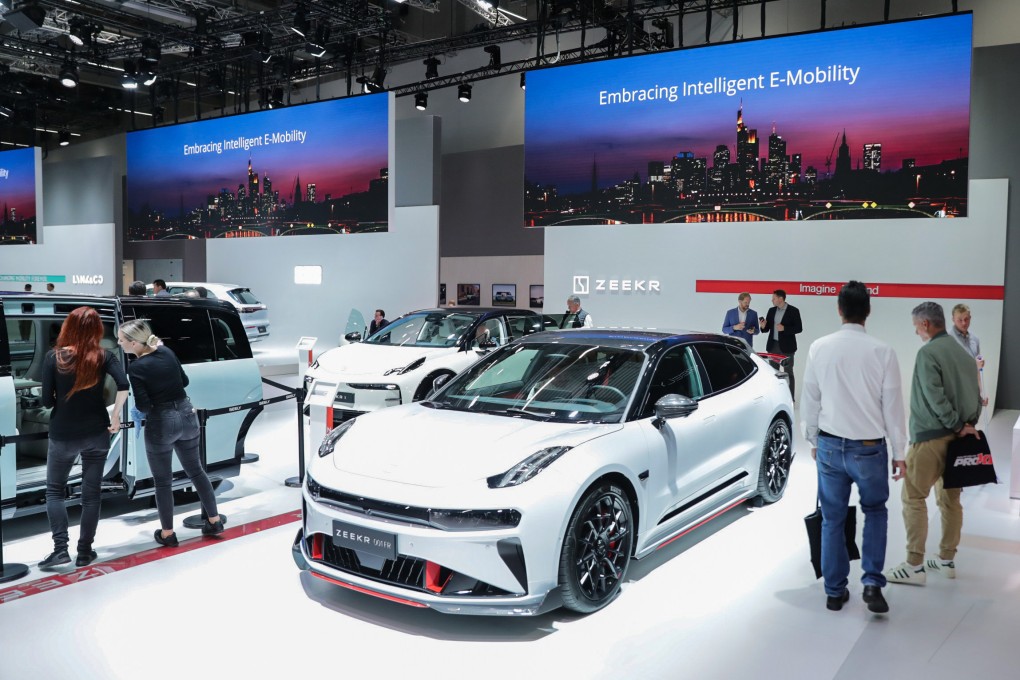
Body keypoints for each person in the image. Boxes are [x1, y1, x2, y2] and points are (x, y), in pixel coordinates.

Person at [801, 281, 906, 614]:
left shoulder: (819, 347)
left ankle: (834, 592)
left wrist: (813, 439)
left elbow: (810, 399)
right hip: (870, 449)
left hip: (830, 446)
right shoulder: (883, 351)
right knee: (875, 512)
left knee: (832, 519)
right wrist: (900, 453)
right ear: (868, 311)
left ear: (839, 309)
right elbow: (893, 407)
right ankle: (872, 584)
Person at [884, 301, 982, 586]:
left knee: (913, 497)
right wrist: (965, 425)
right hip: (958, 440)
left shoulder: (928, 353)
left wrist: (953, 423)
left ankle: (914, 565)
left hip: (930, 439)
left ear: (925, 324)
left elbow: (934, 396)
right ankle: (946, 559)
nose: (916, 332)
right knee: (951, 499)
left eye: (916, 327)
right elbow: (976, 396)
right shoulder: (964, 355)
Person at [118, 319, 225, 546]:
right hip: (187, 414)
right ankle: (214, 520)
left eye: (122, 340)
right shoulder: (166, 351)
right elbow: (184, 381)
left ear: (135, 343)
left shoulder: (136, 368)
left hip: (161, 422)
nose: (119, 343)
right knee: (196, 471)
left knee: (163, 482)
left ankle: (168, 534)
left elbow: (144, 406)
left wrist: (136, 411)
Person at [38, 307, 130, 570]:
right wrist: (115, 417)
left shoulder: (53, 357)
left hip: (63, 433)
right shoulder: (103, 355)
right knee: (91, 495)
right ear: (96, 330)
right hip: (96, 432)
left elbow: (46, 400)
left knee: (55, 491)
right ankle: (85, 551)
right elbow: (123, 383)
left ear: (69, 327)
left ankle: (60, 550)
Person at [760, 289, 802, 398]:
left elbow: (799, 328)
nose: (772, 300)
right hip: (773, 346)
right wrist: (763, 326)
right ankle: (776, 397)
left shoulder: (793, 311)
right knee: (774, 374)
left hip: (787, 347)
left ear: (780, 298)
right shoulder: (771, 311)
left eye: (773, 298)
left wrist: (784, 328)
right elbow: (767, 329)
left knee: (788, 373)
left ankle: (790, 398)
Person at [948, 303, 988, 406]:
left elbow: (978, 370)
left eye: (966, 319)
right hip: (954, 394)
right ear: (953, 319)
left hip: (971, 392)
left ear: (970, 318)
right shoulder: (947, 339)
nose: (964, 323)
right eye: (959, 320)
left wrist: (981, 393)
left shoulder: (975, 340)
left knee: (971, 421)